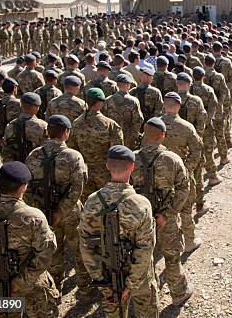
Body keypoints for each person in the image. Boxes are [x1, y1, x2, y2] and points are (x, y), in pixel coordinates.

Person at [0, 161, 60, 317]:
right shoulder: (33, 217)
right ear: (23, 187)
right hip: (33, 287)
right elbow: (47, 252)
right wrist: (19, 282)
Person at [79, 145, 160, 317]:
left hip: (107, 275)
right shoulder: (140, 204)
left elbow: (85, 246)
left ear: (107, 166)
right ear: (132, 167)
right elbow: (146, 248)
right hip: (140, 278)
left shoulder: (92, 201)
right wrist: (131, 284)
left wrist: (102, 281)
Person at [24, 114, 91, 296]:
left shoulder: (34, 155)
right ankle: (85, 287)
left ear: (47, 132)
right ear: (67, 133)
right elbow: (78, 187)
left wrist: (39, 210)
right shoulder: (73, 156)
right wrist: (61, 211)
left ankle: (55, 288)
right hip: (70, 213)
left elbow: (26, 188)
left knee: (53, 251)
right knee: (79, 248)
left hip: (43, 212)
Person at [131, 118, 194, 306]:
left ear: (144, 134)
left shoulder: (132, 159)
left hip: (139, 219)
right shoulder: (172, 159)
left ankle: (147, 299)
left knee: (142, 257)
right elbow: (184, 187)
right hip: (166, 218)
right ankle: (178, 292)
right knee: (172, 256)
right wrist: (169, 213)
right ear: (163, 135)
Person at [161, 92, 204, 253]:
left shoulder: (155, 125)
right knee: (186, 209)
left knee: (164, 207)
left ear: (164, 105)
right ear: (179, 106)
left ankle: (164, 241)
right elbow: (197, 150)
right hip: (183, 175)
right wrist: (187, 169)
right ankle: (189, 241)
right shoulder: (186, 127)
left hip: (161, 175)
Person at [71, 88, 124, 198]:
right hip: (105, 173)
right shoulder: (111, 125)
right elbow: (118, 152)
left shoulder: (75, 124)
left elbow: (72, 150)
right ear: (100, 103)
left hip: (84, 172)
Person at [2, 93, 48, 162]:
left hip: (15, 165)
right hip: (35, 165)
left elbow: (6, 148)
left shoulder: (10, 125)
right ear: (37, 108)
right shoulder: (42, 126)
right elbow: (47, 148)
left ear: (21, 105)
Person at [103, 74, 144, 149]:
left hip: (112, 136)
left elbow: (104, 118)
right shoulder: (133, 101)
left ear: (117, 85)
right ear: (128, 85)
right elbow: (138, 120)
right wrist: (133, 136)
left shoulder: (108, 100)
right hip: (128, 137)